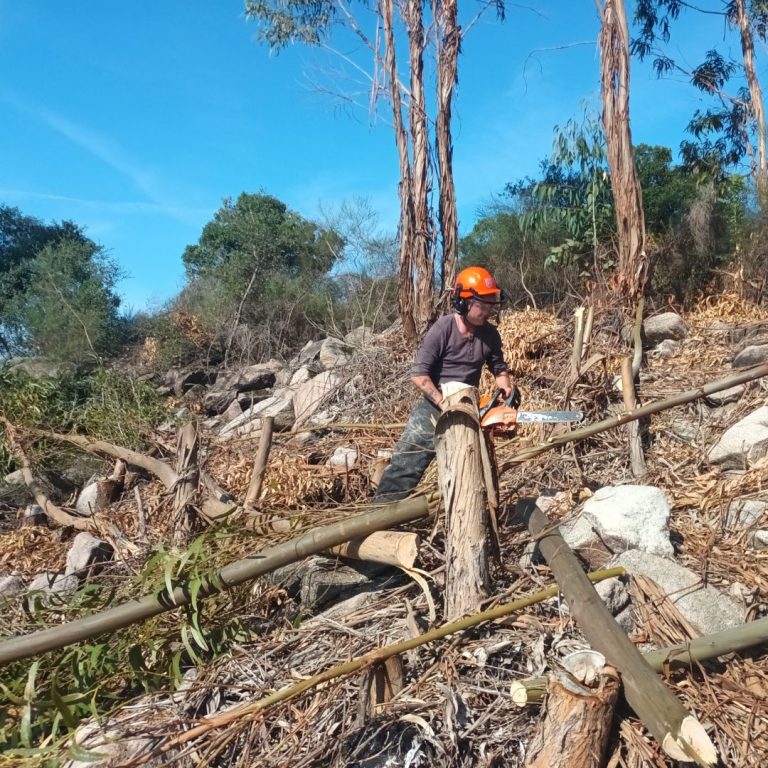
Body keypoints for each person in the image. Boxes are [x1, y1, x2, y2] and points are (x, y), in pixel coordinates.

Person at [373, 266, 515, 503]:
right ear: (463, 302)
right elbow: (419, 375)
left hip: (468, 406)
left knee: (468, 469)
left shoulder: (490, 334)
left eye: (491, 303)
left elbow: (498, 367)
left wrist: (506, 389)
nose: (489, 310)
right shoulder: (443, 329)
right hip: (434, 406)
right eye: (483, 304)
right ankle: (380, 513)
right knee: (407, 464)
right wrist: (443, 402)